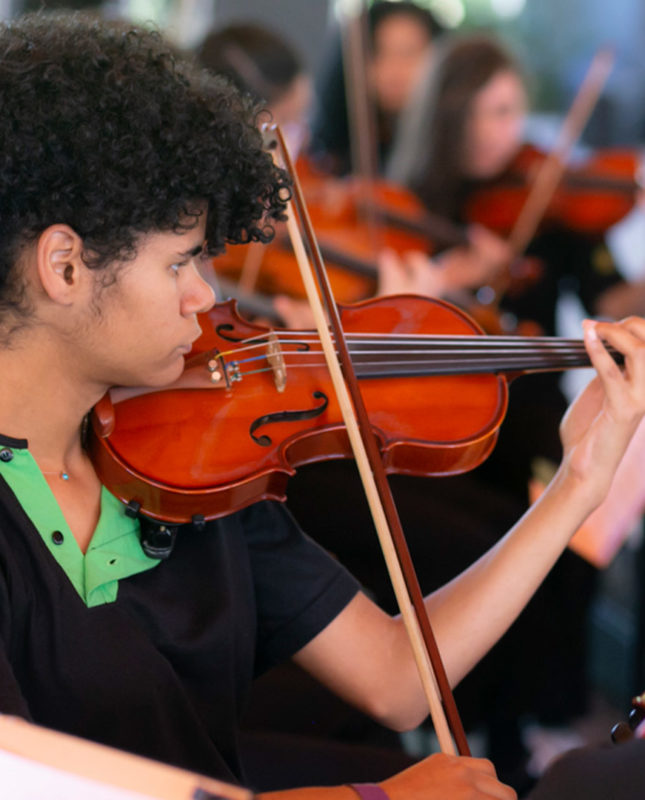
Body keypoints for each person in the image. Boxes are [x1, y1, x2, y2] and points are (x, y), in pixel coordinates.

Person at [2, 11, 645, 800]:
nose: (206, 296)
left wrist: (578, 480)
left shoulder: (188, 452)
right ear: (64, 267)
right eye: (179, 264)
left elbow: (398, 676)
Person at [384, 32, 645, 784]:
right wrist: (449, 279)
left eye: (515, 111)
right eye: (491, 113)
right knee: (495, 556)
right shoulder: (413, 207)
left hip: (527, 423)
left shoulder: (554, 206)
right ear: (451, 116)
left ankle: (524, 726)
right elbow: (386, 328)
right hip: (441, 433)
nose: (510, 132)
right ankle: (480, 730)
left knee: (563, 562)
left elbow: (608, 302)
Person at [309, 0, 444, 176]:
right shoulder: (336, 151)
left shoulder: (442, 147)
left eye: (408, 53)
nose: (394, 68)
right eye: (379, 53)